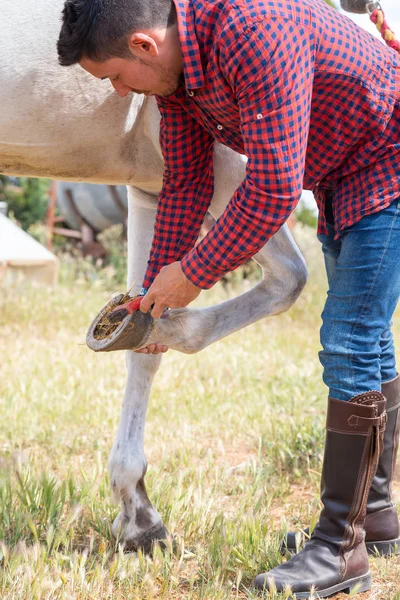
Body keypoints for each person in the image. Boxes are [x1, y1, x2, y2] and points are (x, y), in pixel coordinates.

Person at [58, 0, 400, 596]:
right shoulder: (179, 79)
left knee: (350, 340)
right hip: (347, 171)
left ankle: (338, 553)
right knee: (370, 341)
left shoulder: (254, 30)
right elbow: (188, 183)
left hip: (388, 161)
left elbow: (271, 190)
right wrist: (149, 298)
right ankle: (374, 516)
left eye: (113, 76)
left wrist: (191, 275)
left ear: (144, 45)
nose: (116, 93)